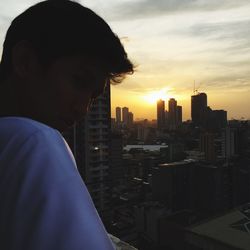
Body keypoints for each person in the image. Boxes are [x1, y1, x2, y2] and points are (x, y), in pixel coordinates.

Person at [0, 1, 134, 249]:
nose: (82, 110)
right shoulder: (33, 139)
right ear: (25, 61)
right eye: (79, 81)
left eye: (94, 98)